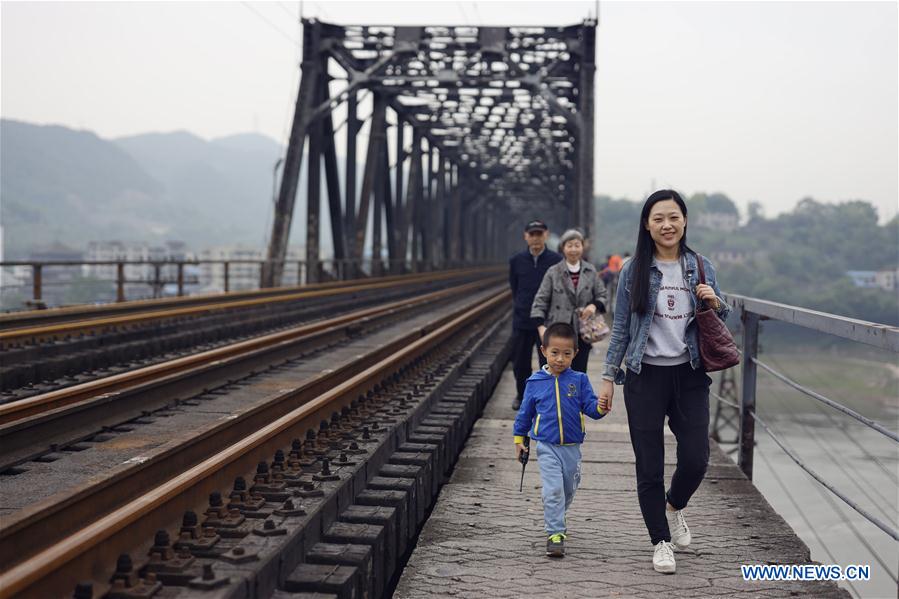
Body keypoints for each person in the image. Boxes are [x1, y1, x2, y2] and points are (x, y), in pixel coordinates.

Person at [598, 190, 731, 574]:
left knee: (696, 459)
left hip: (689, 374)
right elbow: (621, 326)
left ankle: (674, 504)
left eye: (673, 217)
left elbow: (727, 322)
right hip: (645, 376)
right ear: (647, 224)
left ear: (685, 221)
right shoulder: (632, 269)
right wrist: (608, 377)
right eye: (658, 218)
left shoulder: (702, 267)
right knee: (649, 465)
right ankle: (660, 541)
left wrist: (715, 302)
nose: (667, 225)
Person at [513, 322, 609, 557]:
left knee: (568, 488)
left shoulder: (579, 380)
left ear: (575, 354)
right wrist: (519, 439)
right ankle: (555, 533)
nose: (560, 359)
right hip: (546, 446)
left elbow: (590, 407)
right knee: (553, 489)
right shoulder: (534, 382)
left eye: (566, 354)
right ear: (544, 351)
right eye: (554, 353)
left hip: (572, 448)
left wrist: (600, 408)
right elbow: (525, 414)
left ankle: (557, 512)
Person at [531, 228, 608, 373]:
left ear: (582, 247)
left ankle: (575, 396)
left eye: (577, 245)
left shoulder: (590, 271)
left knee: (578, 372)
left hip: (581, 332)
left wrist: (593, 305)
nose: (574, 249)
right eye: (569, 245)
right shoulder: (553, 272)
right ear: (563, 248)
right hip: (556, 330)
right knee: (554, 371)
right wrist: (541, 327)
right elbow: (540, 301)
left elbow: (602, 294)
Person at [509, 219, 562, 410]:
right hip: (522, 320)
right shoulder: (516, 261)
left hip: (547, 322)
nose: (536, 238)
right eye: (532, 234)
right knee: (520, 362)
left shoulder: (556, 260)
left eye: (539, 234)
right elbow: (515, 288)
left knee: (546, 363)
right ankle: (522, 396)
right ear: (526, 236)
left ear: (546, 235)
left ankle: (544, 398)